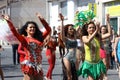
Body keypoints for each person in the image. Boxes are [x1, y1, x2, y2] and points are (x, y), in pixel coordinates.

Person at [2, 13, 51, 80]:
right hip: (29, 65)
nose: (32, 28)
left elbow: (48, 29)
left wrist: (42, 20)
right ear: (26, 29)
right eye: (30, 27)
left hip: (38, 66)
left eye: (34, 27)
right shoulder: (24, 39)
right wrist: (9, 22)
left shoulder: (40, 38)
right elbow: (15, 33)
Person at [77, 14, 111, 80]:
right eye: (90, 28)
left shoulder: (98, 37)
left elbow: (109, 34)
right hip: (89, 64)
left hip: (98, 63)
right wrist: (97, 30)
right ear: (87, 29)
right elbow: (88, 41)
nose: (92, 29)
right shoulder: (84, 37)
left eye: (93, 27)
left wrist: (108, 21)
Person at [59, 13, 78, 80]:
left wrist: (77, 17)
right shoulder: (66, 39)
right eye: (70, 29)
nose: (72, 30)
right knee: (69, 76)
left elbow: (78, 26)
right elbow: (62, 33)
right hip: (67, 57)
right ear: (67, 30)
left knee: (75, 75)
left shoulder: (75, 37)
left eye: (72, 29)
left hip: (75, 58)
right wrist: (62, 21)